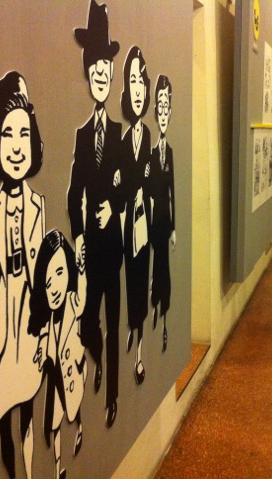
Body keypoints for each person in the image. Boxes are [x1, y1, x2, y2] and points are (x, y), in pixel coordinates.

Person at [0, 71, 44, 479]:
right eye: (7, 134)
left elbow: (43, 280)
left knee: (29, 413)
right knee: (3, 422)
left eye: (23, 134)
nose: (16, 146)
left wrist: (46, 336)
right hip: (3, 338)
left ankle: (30, 472)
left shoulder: (38, 207)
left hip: (29, 331)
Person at [68, 0, 124, 428]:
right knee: (88, 319)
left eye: (107, 66)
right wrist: (79, 237)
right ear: (88, 74)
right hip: (90, 246)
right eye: (96, 68)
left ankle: (113, 398)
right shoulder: (83, 135)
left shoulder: (119, 133)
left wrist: (113, 205)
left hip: (114, 246)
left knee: (113, 316)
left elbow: (128, 186)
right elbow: (74, 193)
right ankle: (98, 355)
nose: (101, 73)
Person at [29, 230, 87, 479]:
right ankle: (57, 468)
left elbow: (82, 298)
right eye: (48, 281)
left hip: (72, 371)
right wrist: (41, 354)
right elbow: (44, 344)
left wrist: (82, 271)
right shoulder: (47, 321)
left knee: (73, 407)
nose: (53, 288)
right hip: (55, 377)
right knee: (54, 425)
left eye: (60, 272)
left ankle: (80, 428)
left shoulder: (72, 302)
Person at [121, 45, 152, 385]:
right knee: (130, 282)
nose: (138, 89)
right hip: (126, 226)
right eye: (133, 82)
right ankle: (133, 327)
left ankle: (140, 346)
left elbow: (150, 181)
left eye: (141, 81)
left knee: (141, 282)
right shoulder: (124, 138)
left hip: (143, 224)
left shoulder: (148, 139)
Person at [149, 75, 176, 353]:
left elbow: (173, 192)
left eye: (168, 107)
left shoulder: (169, 152)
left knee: (164, 268)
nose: (164, 113)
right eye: (161, 107)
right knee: (155, 268)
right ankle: (155, 304)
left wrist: (175, 227)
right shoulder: (151, 152)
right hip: (151, 223)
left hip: (165, 223)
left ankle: (164, 316)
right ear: (156, 112)